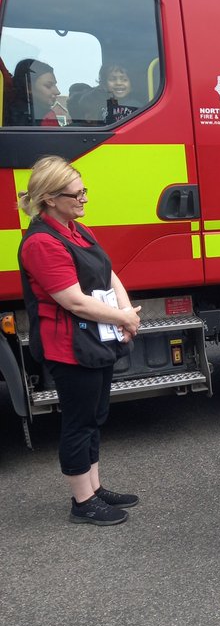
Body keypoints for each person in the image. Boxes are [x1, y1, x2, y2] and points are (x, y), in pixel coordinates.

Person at [17, 156, 143, 525]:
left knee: (95, 415)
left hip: (93, 338)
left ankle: (94, 486)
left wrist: (126, 311)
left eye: (84, 190)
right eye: (78, 193)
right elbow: (71, 300)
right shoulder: (41, 242)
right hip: (68, 346)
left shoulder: (76, 228)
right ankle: (82, 502)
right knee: (79, 421)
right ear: (51, 198)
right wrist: (122, 317)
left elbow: (108, 271)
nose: (84, 198)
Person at [8, 59, 65, 126]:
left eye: (55, 85)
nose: (57, 92)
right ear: (29, 87)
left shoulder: (8, 114)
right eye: (48, 86)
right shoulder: (46, 118)